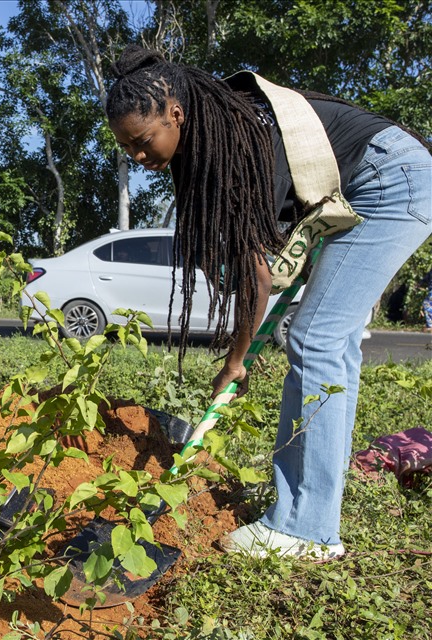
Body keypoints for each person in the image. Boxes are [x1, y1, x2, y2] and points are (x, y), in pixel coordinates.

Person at [106, 45, 431, 560]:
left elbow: (257, 272)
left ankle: (306, 528)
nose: (139, 158)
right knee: (333, 345)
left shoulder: (237, 136)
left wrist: (236, 361)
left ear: (176, 114)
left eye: (143, 143)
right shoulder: (210, 137)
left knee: (315, 337)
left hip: (391, 182)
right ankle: (305, 497)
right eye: (128, 149)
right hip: (379, 177)